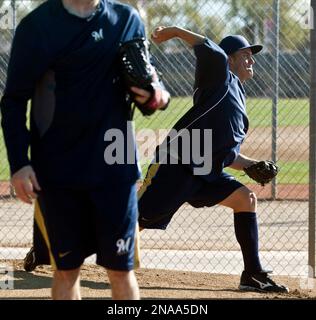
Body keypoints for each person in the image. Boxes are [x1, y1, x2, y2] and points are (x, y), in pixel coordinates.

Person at [0, 0, 169, 300]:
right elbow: (13, 101)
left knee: (121, 271)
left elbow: (149, 82)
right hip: (57, 173)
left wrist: (158, 96)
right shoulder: (36, 27)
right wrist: (19, 163)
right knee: (66, 271)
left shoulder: (126, 19)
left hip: (115, 169)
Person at [137, 26, 289, 293]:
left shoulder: (239, 102)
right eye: (245, 54)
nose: (251, 60)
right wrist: (172, 31)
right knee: (134, 221)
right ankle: (60, 249)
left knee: (246, 199)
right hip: (177, 166)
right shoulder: (219, 77)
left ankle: (252, 274)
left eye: (251, 56)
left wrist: (251, 165)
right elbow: (208, 46)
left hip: (205, 172)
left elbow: (225, 154)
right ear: (229, 59)